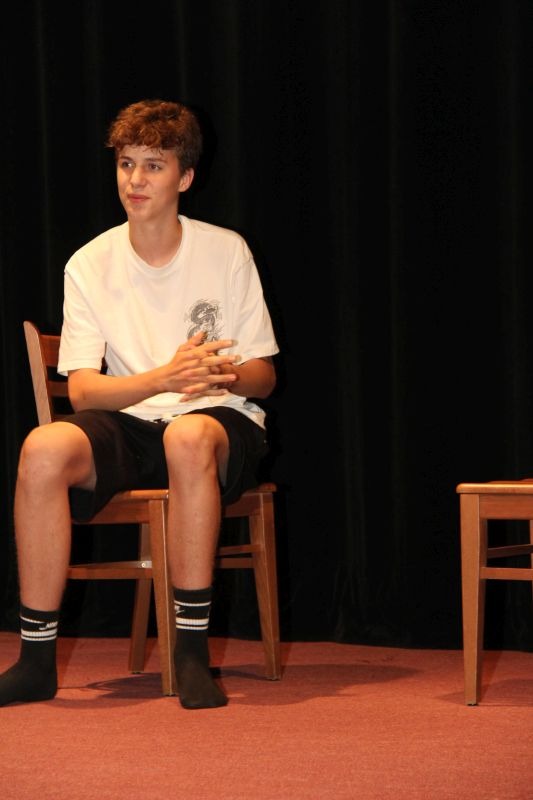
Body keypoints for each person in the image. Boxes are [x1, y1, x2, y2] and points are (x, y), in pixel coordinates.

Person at [0, 99, 279, 710]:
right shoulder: (89, 262)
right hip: (132, 419)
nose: (135, 180)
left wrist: (222, 373)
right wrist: (163, 377)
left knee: (187, 436)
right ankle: (36, 659)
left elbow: (263, 378)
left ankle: (190, 653)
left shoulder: (226, 251)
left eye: (154, 166)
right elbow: (83, 391)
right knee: (42, 448)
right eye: (126, 164)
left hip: (217, 422)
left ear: (185, 177)